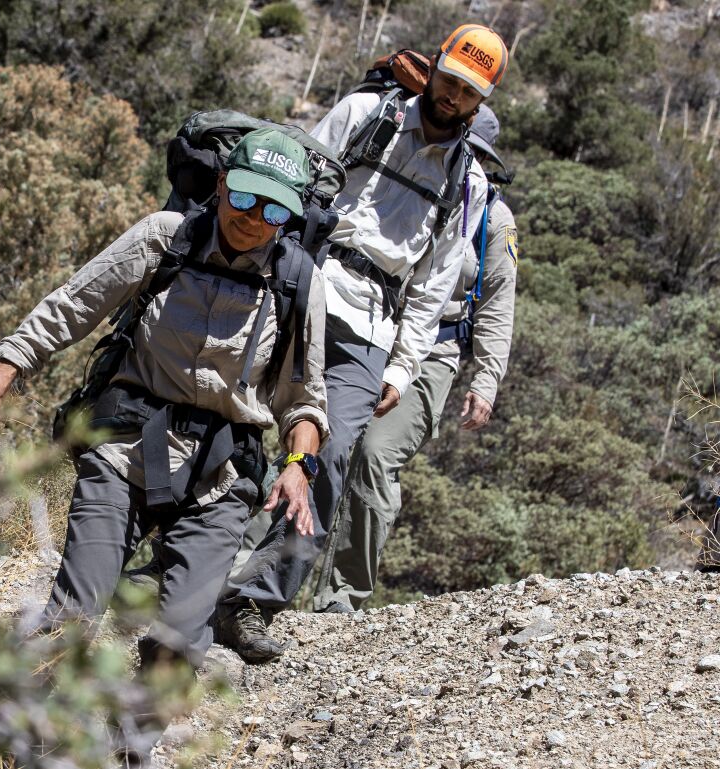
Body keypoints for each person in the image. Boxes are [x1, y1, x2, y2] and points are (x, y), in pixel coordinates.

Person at [0, 128, 329, 763]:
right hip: (125, 450)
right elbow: (73, 305)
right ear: (220, 186)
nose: (252, 218)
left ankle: (129, 751)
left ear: (291, 215)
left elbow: (304, 398)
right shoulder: (165, 238)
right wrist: (3, 371)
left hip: (220, 475)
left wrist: (298, 463)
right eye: (243, 197)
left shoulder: (298, 281)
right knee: (77, 611)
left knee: (181, 640)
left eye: (274, 209)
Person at [214, 23, 509, 663]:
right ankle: (184, 557)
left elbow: (433, 285)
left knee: (333, 453)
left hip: (374, 317)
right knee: (223, 412)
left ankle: (251, 601)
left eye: (469, 93)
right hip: (302, 280)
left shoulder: (469, 183)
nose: (454, 96)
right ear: (435, 69)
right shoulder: (364, 113)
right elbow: (291, 189)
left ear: (482, 103)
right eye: (451, 80)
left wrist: (402, 370)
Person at [315, 104, 519, 614]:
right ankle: (254, 576)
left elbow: (497, 302)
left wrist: (487, 380)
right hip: (368, 323)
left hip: (434, 353)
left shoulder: (492, 218)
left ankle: (342, 597)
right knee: (317, 438)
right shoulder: (402, 172)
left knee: (376, 456)